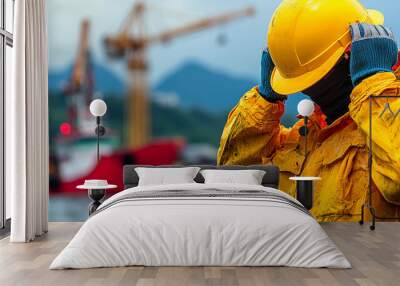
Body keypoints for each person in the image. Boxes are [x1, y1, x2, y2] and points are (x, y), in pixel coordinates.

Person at [217, 0, 400, 221]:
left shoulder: (384, 124)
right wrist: (264, 101)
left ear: (351, 54)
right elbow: (233, 179)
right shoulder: (303, 141)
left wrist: (374, 87)